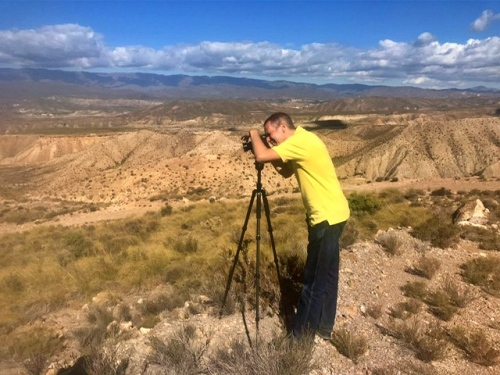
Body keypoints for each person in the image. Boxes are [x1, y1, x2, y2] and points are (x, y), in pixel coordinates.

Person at [248, 112, 350, 340]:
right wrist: (266, 147)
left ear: (282, 127)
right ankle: (324, 327)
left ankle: (299, 342)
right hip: (336, 213)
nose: (269, 138)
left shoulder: (300, 142)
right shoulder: (303, 141)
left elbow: (262, 156)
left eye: (270, 133)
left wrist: (254, 135)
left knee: (312, 283)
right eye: (266, 135)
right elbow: (284, 171)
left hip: (325, 217)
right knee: (328, 275)